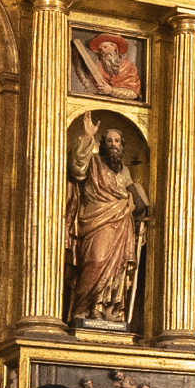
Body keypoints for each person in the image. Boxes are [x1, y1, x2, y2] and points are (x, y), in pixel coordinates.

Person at [67, 112, 148, 325]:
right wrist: (86, 137)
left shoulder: (125, 172)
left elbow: (138, 199)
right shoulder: (93, 163)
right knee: (96, 260)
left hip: (121, 225)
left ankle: (107, 309)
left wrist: (138, 208)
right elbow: (77, 169)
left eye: (118, 141)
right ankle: (83, 307)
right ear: (102, 144)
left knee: (119, 268)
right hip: (96, 221)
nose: (114, 144)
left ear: (122, 147)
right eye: (110, 140)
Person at [80, 33, 141, 99]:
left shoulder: (129, 67)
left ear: (114, 47)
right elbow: (91, 88)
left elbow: (134, 94)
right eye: (100, 50)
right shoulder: (98, 67)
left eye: (105, 47)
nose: (103, 51)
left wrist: (111, 91)